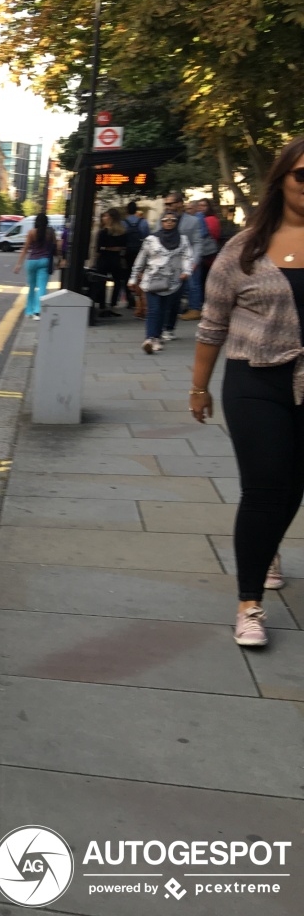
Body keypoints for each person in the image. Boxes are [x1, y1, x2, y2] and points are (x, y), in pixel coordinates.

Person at [189, 135, 304, 647]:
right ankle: (250, 603)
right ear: (281, 179)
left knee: (292, 486)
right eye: (303, 176)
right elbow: (211, 325)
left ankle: (268, 548)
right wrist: (199, 388)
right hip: (255, 379)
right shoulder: (244, 249)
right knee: (264, 486)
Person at [128, 210, 192, 354]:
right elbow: (141, 259)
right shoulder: (151, 239)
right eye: (166, 220)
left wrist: (186, 271)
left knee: (164, 310)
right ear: (161, 222)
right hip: (152, 279)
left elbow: (187, 257)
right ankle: (150, 338)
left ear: (176, 223)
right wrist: (133, 277)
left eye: (173, 220)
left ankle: (157, 336)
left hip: (172, 282)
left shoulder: (182, 240)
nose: (169, 222)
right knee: (154, 310)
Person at [14, 212, 57, 320]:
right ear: (47, 222)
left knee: (31, 287)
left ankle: (29, 311)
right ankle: (37, 312)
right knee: (42, 287)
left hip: (32, 262)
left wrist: (18, 264)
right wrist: (59, 260)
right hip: (44, 261)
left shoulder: (31, 233)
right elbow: (56, 248)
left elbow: (25, 249)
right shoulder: (50, 233)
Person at [172, 194, 208, 319]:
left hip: (189, 257)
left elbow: (198, 241)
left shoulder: (194, 220)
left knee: (193, 284)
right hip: (172, 258)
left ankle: (195, 309)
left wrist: (195, 260)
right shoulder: (165, 219)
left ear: (179, 204)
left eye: (171, 203)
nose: (169, 206)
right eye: (167, 204)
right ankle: (177, 307)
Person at [95, 208, 128, 316]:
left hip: (104, 258)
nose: (103, 218)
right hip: (116, 258)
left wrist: (105, 249)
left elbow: (99, 248)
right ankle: (113, 303)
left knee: (101, 281)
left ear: (111, 218)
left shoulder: (103, 232)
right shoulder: (122, 232)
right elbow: (123, 246)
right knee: (117, 282)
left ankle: (103, 305)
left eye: (105, 216)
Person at [123, 201, 150, 316]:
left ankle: (130, 300)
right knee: (140, 276)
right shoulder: (143, 222)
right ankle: (141, 301)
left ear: (127, 210)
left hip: (127, 251)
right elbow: (148, 237)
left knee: (128, 274)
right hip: (140, 251)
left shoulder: (123, 223)